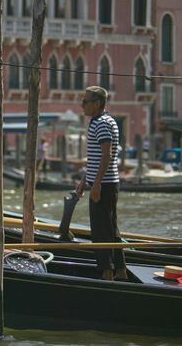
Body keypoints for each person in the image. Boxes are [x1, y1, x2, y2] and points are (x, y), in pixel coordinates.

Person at [75, 86, 126, 281]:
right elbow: (95, 158)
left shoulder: (101, 124)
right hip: (106, 183)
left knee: (100, 230)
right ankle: (120, 270)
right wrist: (84, 181)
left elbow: (107, 155)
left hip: (104, 184)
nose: (82, 106)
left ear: (97, 104)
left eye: (85, 102)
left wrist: (95, 185)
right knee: (111, 228)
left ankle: (107, 272)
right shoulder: (104, 121)